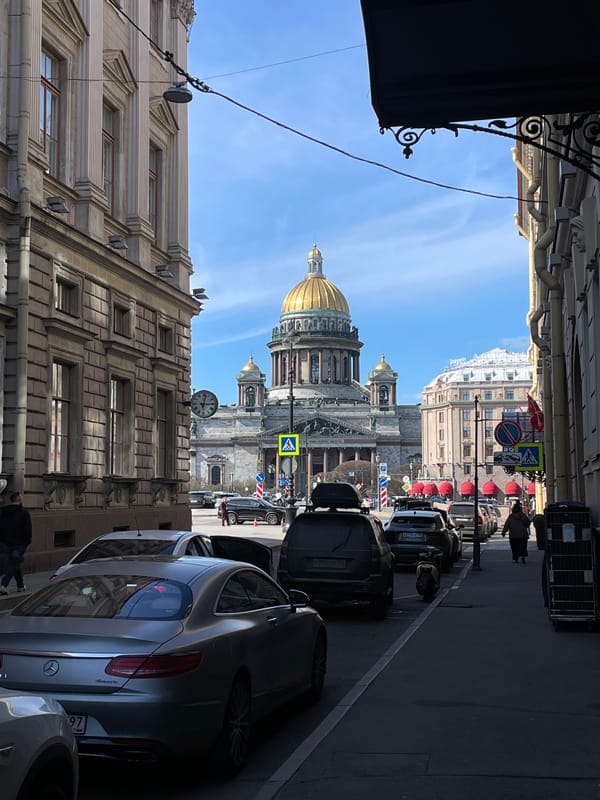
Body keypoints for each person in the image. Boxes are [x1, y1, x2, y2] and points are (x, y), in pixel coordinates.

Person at [0, 492, 32, 594]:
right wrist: (27, 542)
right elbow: (28, 529)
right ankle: (4, 585)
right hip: (19, 543)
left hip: (6, 542)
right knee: (14, 564)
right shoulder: (23, 512)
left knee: (15, 562)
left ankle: (20, 586)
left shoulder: (3, 512)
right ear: (18, 499)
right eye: (21, 497)